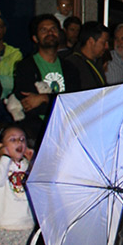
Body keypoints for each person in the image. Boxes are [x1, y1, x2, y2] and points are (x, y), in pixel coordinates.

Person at [12, 14, 79, 147]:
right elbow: (28, 104)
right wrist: (59, 103)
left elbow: (75, 101)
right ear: (35, 38)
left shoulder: (70, 68)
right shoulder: (25, 67)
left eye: (53, 29)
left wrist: (44, 98)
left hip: (67, 132)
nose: (50, 33)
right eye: (44, 30)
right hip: (36, 134)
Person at [66, 21, 109, 90]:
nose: (106, 47)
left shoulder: (98, 63)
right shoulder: (72, 64)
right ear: (91, 41)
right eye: (103, 43)